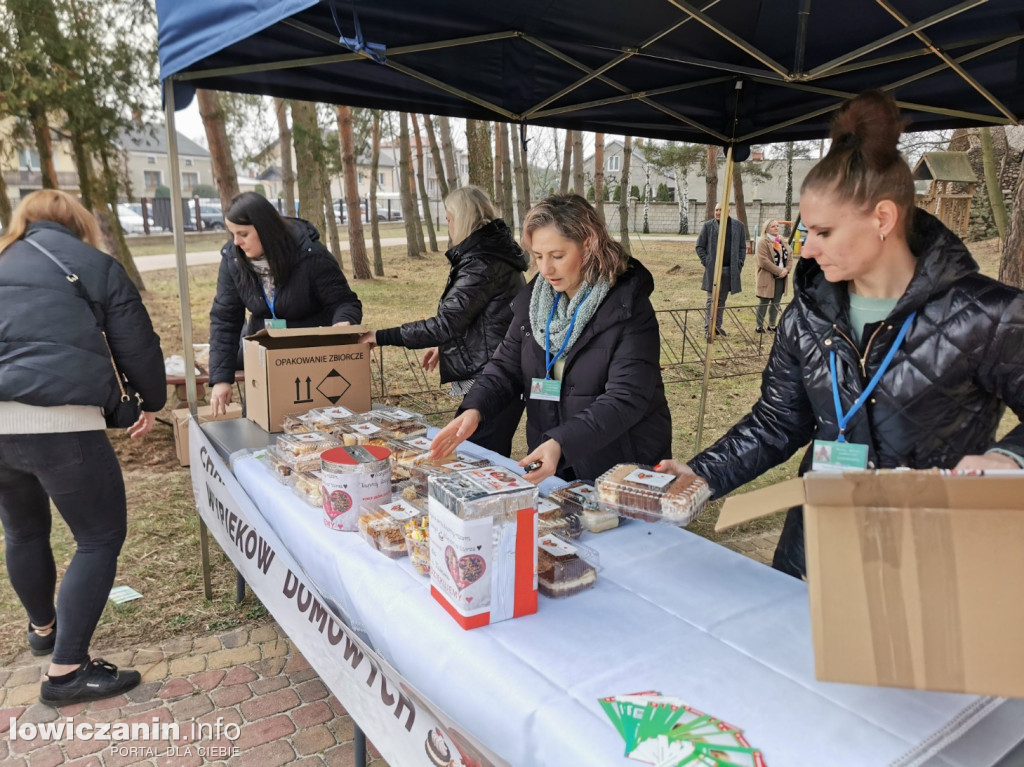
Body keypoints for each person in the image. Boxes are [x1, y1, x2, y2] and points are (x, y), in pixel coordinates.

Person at [658, 90, 1024, 579]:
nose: (807, 250)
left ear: (883, 219)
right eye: (805, 232)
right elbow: (777, 422)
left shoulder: (989, 314)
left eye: (824, 232)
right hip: (814, 550)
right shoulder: (805, 314)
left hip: (927, 560)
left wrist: (1007, 458)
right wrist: (704, 472)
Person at [0, 190, 166, 704]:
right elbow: (136, 340)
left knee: (22, 530)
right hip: (64, 420)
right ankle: (67, 671)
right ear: (79, 224)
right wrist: (151, 401)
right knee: (97, 538)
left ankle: (43, 629)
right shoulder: (94, 264)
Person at [430, 194, 672, 483]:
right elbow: (504, 367)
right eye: (538, 256)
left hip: (617, 463)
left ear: (589, 245)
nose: (545, 270)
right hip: (552, 456)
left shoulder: (627, 307)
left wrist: (562, 443)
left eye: (558, 256)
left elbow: (625, 397)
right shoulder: (535, 301)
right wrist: (475, 409)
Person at [358, 186, 528, 456]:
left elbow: (445, 324)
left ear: (461, 219)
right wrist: (445, 346)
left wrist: (381, 336)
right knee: (479, 455)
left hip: (496, 377)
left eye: (449, 218)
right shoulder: (489, 255)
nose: (448, 225)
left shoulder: (482, 262)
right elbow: (478, 318)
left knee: (475, 459)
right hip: (496, 371)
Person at [209, 192, 362, 415]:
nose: (237, 242)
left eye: (243, 234)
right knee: (261, 423)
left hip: (308, 357)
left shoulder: (311, 255)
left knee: (310, 431)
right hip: (263, 358)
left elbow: (345, 302)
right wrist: (222, 378)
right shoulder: (233, 260)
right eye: (232, 234)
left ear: (265, 229)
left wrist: (343, 323)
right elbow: (225, 319)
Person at [695, 202, 747, 340]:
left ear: (728, 211)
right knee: (711, 300)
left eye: (720, 210)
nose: (717, 212)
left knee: (722, 301)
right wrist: (708, 262)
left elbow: (742, 248)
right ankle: (708, 329)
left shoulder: (738, 226)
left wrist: (739, 263)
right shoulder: (707, 226)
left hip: (729, 270)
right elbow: (699, 246)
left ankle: (717, 327)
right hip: (713, 271)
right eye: (716, 210)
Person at [754, 219, 791, 333]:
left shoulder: (783, 241)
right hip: (767, 275)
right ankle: (759, 326)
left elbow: (790, 257)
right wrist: (778, 271)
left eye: (777, 226)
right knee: (764, 301)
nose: (776, 228)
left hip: (781, 276)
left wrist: (786, 270)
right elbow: (763, 261)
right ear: (766, 229)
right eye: (773, 226)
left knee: (776, 302)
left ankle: (772, 325)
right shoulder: (763, 242)